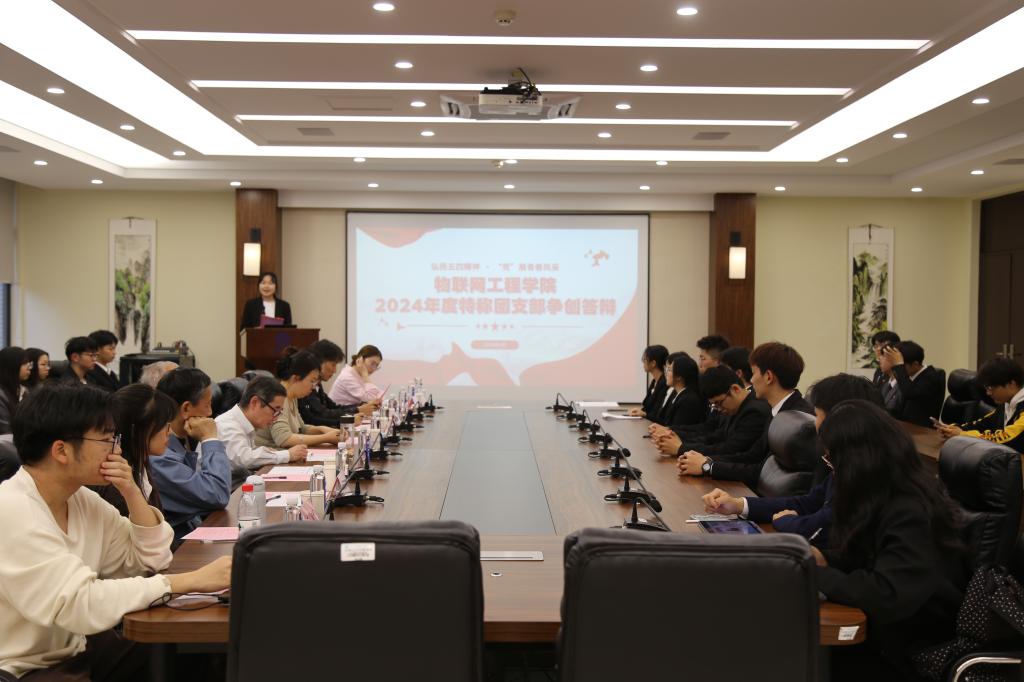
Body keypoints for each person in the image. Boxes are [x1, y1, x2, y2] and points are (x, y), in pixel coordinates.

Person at [0, 384, 231, 680]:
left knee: (192, 649)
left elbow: (149, 560)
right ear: (61, 450)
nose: (118, 450)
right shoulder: (14, 509)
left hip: (77, 646)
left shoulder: (81, 500)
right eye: (108, 440)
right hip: (23, 667)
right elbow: (79, 603)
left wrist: (132, 492)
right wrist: (188, 581)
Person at [812, 400, 966, 680]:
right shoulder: (881, 494)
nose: (832, 470)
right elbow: (863, 556)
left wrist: (817, 574)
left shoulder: (913, 510)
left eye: (833, 460)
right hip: (884, 635)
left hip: (911, 650)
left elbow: (886, 595)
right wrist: (824, 559)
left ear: (858, 459)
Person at [702, 372, 884, 547]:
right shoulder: (850, 459)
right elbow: (808, 502)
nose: (815, 424)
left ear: (844, 421)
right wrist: (738, 505)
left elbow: (820, 527)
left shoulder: (868, 473)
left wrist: (788, 521)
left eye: (818, 416)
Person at [675, 341, 812, 485]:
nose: (751, 380)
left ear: (768, 377)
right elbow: (751, 456)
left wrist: (707, 466)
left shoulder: (796, 420)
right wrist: (705, 461)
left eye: (753, 373)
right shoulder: (778, 410)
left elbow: (761, 471)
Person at [148, 368, 231, 541]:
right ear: (186, 408)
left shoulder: (181, 440)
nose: (210, 413)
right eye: (207, 404)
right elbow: (217, 495)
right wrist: (210, 439)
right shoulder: (159, 456)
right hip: (176, 546)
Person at [90, 384, 176, 517]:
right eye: (165, 425)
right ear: (139, 430)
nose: (170, 432)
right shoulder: (113, 485)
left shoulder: (140, 465)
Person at [652, 365, 770, 459]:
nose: (719, 409)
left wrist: (681, 448)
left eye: (719, 403)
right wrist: (676, 437)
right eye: (714, 405)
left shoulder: (755, 412)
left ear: (735, 389)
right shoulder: (734, 407)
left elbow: (729, 449)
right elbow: (714, 437)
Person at [217, 376, 307, 485]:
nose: (276, 418)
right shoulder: (227, 425)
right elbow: (244, 459)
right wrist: (287, 455)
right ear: (255, 402)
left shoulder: (244, 422)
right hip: (226, 490)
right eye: (275, 410)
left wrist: (272, 453)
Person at [256, 349, 342, 449]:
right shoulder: (278, 397)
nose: (313, 387)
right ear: (296, 378)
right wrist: (326, 438)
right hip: (269, 456)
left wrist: (323, 430)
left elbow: (301, 428)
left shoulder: (292, 397)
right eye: (312, 381)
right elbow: (284, 439)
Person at [936, 356, 1024, 452]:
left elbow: (1008, 439)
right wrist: (954, 429)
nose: (988, 393)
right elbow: (983, 424)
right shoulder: (1006, 405)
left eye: (991, 388)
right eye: (987, 388)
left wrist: (962, 435)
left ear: (1011, 384)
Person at [298, 340, 374, 427]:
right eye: (333, 365)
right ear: (319, 362)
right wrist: (357, 410)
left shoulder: (317, 385)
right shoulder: (306, 386)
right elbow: (319, 416)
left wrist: (359, 407)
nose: (335, 371)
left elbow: (333, 407)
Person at [880, 340, 945, 427]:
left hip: (922, 430)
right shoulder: (910, 376)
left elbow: (909, 393)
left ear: (915, 364)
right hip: (904, 425)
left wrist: (899, 366)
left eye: (902, 366)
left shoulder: (931, 376)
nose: (896, 369)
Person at [652, 352, 707, 428]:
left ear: (679, 377)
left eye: (669, 370)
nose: (666, 373)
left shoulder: (687, 400)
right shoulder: (678, 394)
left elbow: (678, 428)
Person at [628, 345, 669, 418]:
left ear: (653, 363)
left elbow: (659, 413)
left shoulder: (664, 384)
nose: (643, 363)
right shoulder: (654, 382)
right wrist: (639, 411)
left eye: (644, 360)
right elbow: (647, 407)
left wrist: (644, 414)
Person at [0, 347, 30, 435]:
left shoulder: (23, 390)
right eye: (24, 363)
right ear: (11, 366)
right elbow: (5, 431)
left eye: (29, 362)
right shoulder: (1, 395)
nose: (29, 367)